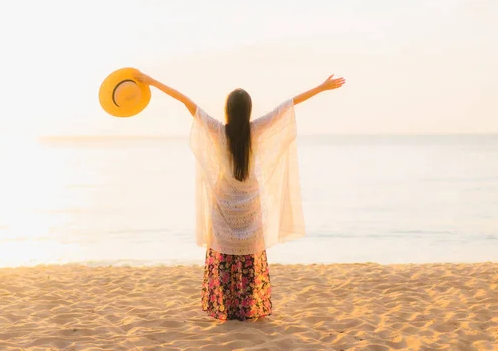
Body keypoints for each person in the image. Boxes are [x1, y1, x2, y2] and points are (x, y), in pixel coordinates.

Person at [134, 71, 345, 320]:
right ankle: (247, 307)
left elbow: (185, 101)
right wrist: (321, 87)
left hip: (223, 206)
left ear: (227, 110)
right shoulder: (256, 130)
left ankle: (226, 307)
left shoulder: (216, 130)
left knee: (224, 257)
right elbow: (287, 106)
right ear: (248, 111)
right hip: (250, 207)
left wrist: (151, 81)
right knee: (248, 260)